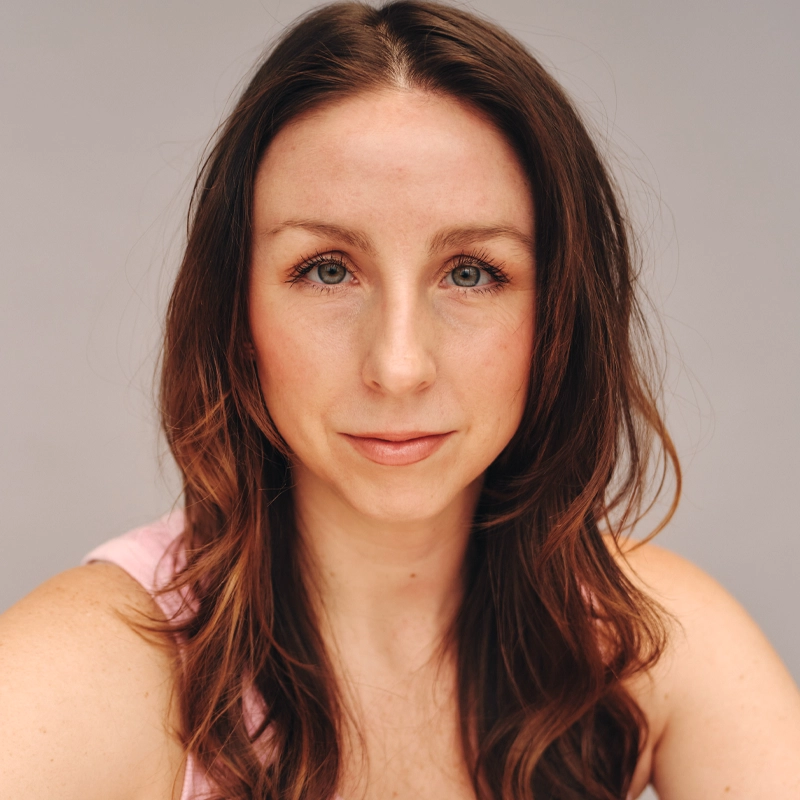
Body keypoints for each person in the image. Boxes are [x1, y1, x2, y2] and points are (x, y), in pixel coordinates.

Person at [1, 1, 799, 798]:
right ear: (235, 311)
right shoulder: (92, 671)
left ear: (556, 318)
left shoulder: (642, 639)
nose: (399, 365)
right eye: (326, 269)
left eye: (470, 272)